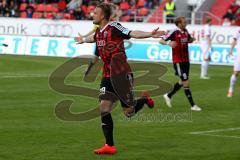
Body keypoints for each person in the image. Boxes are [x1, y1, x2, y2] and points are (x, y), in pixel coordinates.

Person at [74, 3, 165, 155]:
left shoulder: (114, 27)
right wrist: (83, 39)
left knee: (128, 112)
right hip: (107, 76)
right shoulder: (99, 32)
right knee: (104, 108)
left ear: (102, 16)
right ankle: (109, 145)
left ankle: (144, 98)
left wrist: (149, 34)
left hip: (122, 75)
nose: (92, 15)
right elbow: (94, 38)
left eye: (95, 13)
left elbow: (132, 32)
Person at [159, 16, 201, 111]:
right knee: (186, 82)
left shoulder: (185, 31)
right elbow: (161, 41)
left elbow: (189, 40)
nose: (186, 23)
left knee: (182, 81)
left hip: (186, 61)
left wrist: (192, 39)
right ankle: (193, 105)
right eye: (184, 21)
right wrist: (168, 43)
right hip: (178, 61)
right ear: (179, 23)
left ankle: (168, 95)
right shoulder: (174, 31)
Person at [227, 29, 240, 97]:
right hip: (239, 54)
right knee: (236, 72)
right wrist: (231, 50)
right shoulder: (239, 30)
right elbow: (234, 40)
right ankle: (231, 89)